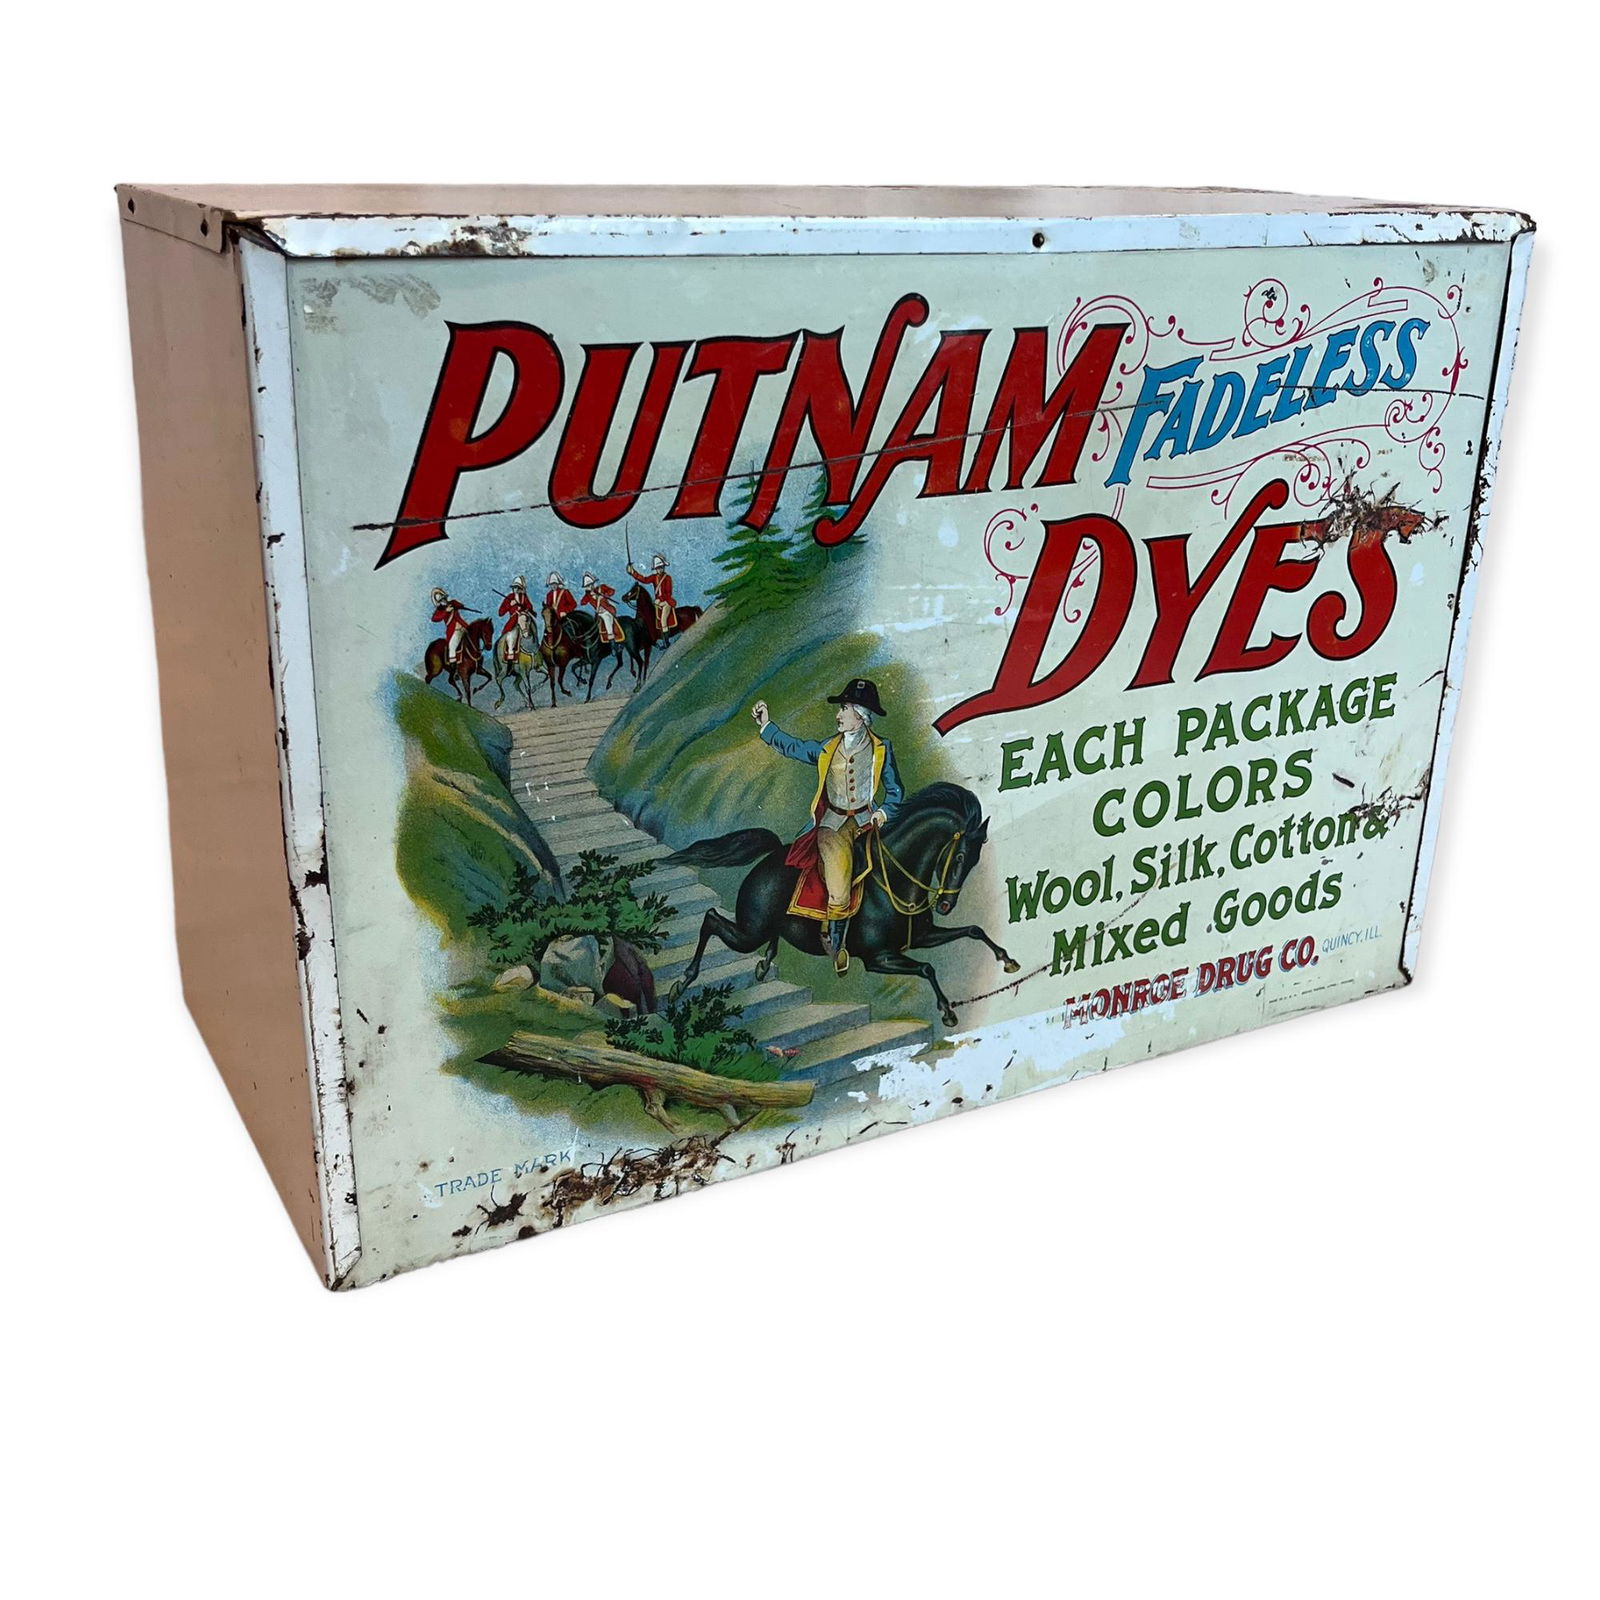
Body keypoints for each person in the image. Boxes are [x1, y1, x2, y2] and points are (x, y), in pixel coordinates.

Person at [753, 678, 902, 975]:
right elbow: (794, 747)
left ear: (861, 716)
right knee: (839, 885)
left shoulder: (882, 749)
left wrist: (883, 813)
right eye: (841, 709)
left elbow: (896, 791)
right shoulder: (827, 748)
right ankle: (837, 945)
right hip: (833, 826)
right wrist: (767, 726)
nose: (838, 715)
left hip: (867, 822)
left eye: (844, 709)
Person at [626, 551, 677, 641]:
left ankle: (666, 642)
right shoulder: (654, 577)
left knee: (663, 620)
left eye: (661, 567)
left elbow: (668, 593)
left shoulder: (667, 578)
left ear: (663, 567)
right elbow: (644, 579)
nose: (659, 570)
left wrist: (660, 600)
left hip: (667, 602)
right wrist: (633, 572)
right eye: (657, 568)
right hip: (657, 602)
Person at [497, 575, 536, 662]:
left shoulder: (524, 597)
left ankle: (530, 641)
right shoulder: (509, 597)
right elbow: (500, 612)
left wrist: (524, 610)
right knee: (511, 635)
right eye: (514, 587)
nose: (516, 589)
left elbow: (529, 606)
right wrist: (509, 605)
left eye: (517, 587)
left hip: (523, 618)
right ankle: (510, 652)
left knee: (525, 621)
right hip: (513, 621)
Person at [430, 586, 472, 664]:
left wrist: (455, 605)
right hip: (454, 631)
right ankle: (453, 665)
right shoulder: (440, 610)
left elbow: (460, 605)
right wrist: (446, 611)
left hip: (464, 627)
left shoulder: (452, 603)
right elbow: (434, 618)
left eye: (444, 598)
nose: (444, 600)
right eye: (441, 600)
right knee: (452, 646)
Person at [580, 571, 623, 644]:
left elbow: (612, 591)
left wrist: (604, 594)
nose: (589, 587)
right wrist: (588, 595)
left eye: (590, 585)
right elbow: (582, 603)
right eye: (587, 586)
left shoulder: (602, 588)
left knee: (607, 619)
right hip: (598, 614)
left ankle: (612, 641)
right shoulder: (588, 595)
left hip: (607, 610)